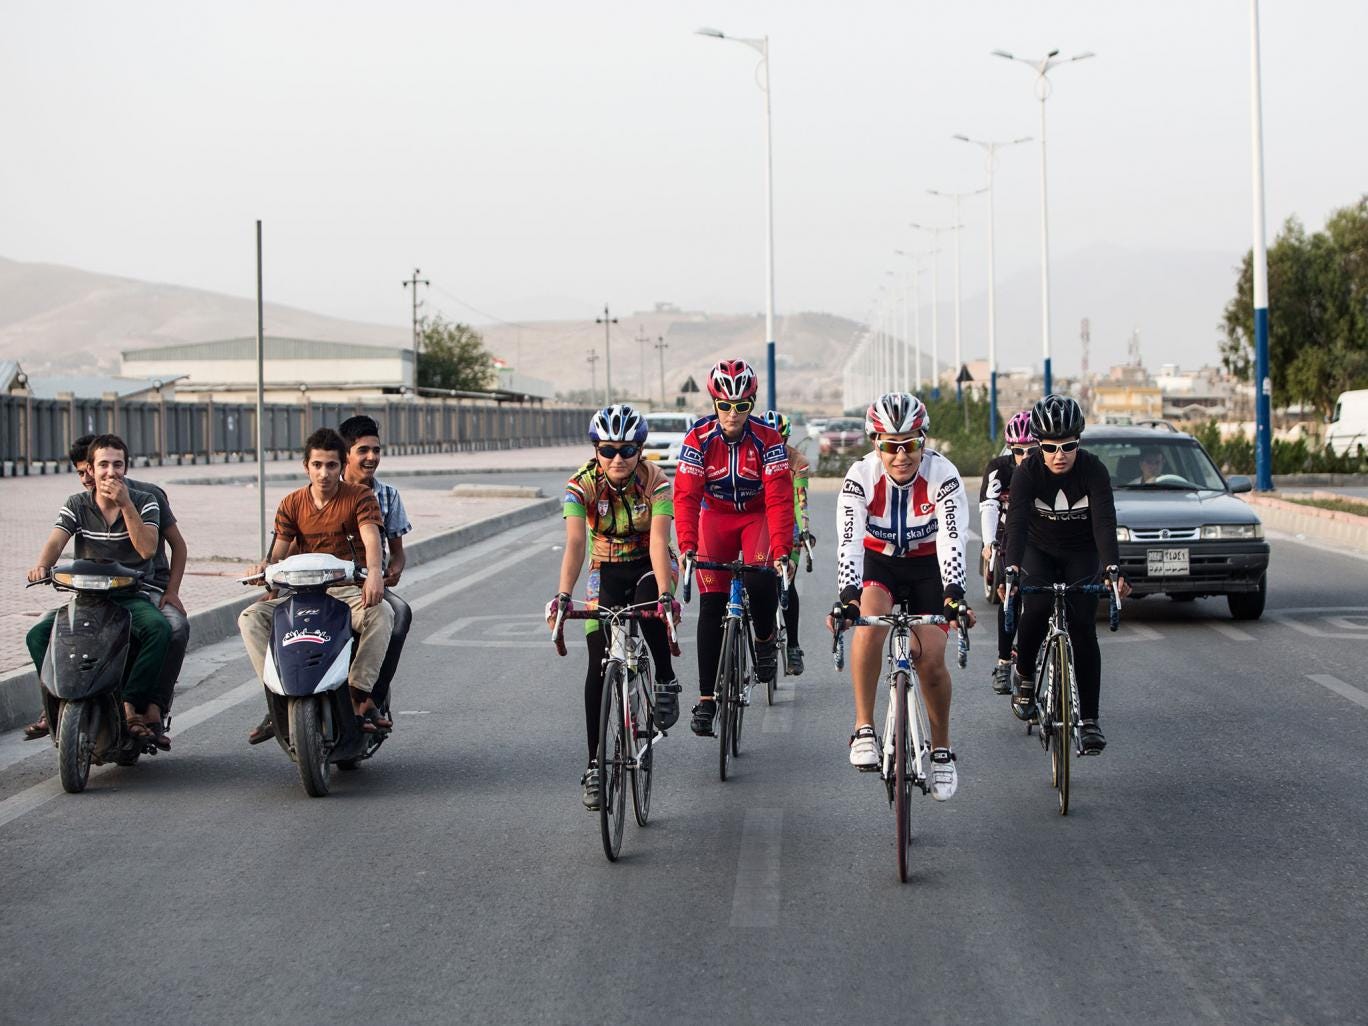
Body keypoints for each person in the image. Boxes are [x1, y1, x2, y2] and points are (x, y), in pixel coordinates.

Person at [828, 393, 974, 800]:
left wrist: (954, 594)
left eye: (910, 444)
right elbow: (850, 543)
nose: (901, 455)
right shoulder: (860, 476)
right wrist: (848, 597)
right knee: (869, 627)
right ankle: (864, 728)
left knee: (931, 660)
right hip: (880, 564)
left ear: (923, 441)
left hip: (929, 567)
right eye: (890, 446)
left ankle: (941, 750)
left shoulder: (943, 474)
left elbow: (952, 540)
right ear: (875, 443)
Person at [245, 415, 414, 745]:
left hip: (353, 588)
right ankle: (278, 697)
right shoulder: (292, 503)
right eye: (317, 465)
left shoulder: (364, 497)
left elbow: (375, 541)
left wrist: (377, 574)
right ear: (306, 466)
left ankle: (362, 695)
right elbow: (279, 553)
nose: (324, 473)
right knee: (251, 618)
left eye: (330, 466)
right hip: (303, 592)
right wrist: (266, 574)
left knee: (388, 615)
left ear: (340, 466)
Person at [547, 404, 681, 810]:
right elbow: (575, 543)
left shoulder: (657, 482)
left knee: (649, 605)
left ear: (640, 450)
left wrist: (665, 595)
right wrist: (564, 596)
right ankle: (594, 766)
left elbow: (658, 541)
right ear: (596, 451)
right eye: (607, 450)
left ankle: (665, 679)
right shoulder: (581, 485)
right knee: (597, 663)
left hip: (649, 563)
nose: (617, 458)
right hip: (603, 568)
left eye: (626, 450)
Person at [24, 434, 190, 741]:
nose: (110, 472)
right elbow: (56, 541)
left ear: (126, 467)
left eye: (117, 464)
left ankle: (135, 704)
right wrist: (42, 566)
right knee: (38, 634)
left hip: (133, 594)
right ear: (90, 468)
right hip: (88, 596)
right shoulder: (77, 503)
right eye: (103, 465)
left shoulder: (146, 499)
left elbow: (147, 549)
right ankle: (54, 704)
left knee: (163, 629)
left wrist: (125, 504)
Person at [1003, 394, 1132, 754]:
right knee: (1036, 607)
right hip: (1039, 550)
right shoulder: (1027, 472)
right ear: (1038, 446)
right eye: (1049, 447)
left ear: (1079, 442)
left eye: (1068, 446)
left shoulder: (1093, 470)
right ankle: (1024, 676)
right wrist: (1011, 568)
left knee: (1083, 627)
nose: (1059, 454)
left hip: (1081, 551)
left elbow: (1104, 522)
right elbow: (1016, 524)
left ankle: (1089, 720)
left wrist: (1112, 568)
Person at [673, 360, 794, 738]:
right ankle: (706, 699)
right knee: (711, 605)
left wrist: (782, 551)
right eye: (724, 405)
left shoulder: (768, 439)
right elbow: (686, 497)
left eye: (741, 406)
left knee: (761, 580)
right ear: (714, 403)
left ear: (751, 404)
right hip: (716, 518)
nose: (732, 413)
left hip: (756, 517)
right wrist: (687, 546)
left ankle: (764, 640)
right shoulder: (698, 438)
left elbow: (779, 499)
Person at [977, 411, 1036, 696]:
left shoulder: (1049, 467)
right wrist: (989, 542)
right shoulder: (999, 468)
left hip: (1040, 534)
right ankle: (1003, 661)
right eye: (1018, 451)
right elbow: (989, 506)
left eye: (1032, 450)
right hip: (1007, 534)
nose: (1025, 456)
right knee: (1010, 595)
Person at [763, 409, 811, 675]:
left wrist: (804, 530)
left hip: (787, 523)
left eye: (779, 440)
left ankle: (793, 646)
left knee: (785, 581)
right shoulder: (751, 455)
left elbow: (800, 500)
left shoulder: (797, 461)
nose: (774, 446)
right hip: (760, 522)